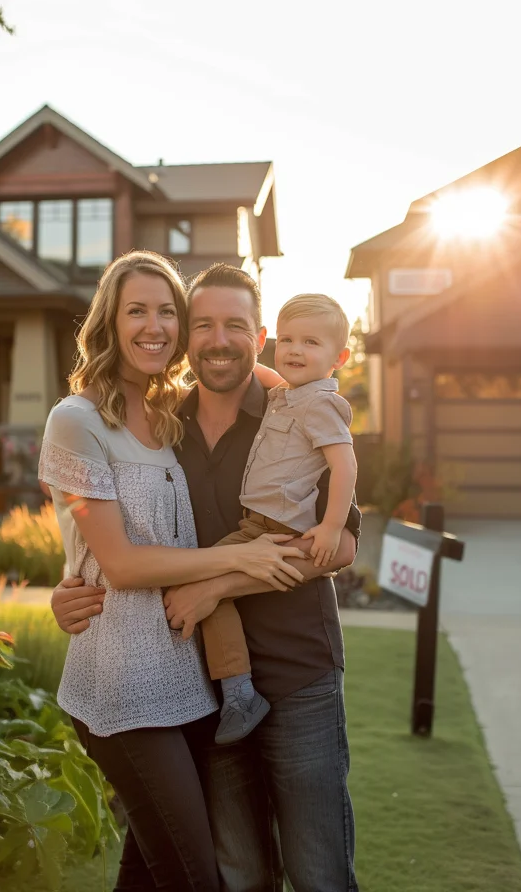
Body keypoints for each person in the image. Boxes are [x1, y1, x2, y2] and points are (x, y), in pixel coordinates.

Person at [53, 263, 362, 892]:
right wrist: (73, 583)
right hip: (205, 685)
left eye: (236, 326)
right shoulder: (164, 422)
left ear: (260, 334)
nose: (219, 340)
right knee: (239, 872)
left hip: (298, 670)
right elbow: (116, 532)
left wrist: (219, 584)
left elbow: (340, 545)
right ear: (189, 336)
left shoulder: (298, 410)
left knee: (317, 872)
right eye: (204, 324)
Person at [200, 292, 358, 745]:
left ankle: (238, 692)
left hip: (280, 525)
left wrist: (329, 526)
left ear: (340, 357)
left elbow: (344, 465)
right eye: (287, 339)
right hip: (258, 523)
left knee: (201, 580)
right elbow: (263, 374)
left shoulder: (320, 404)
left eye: (310, 342)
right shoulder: (285, 396)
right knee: (203, 582)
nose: (294, 350)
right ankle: (238, 691)